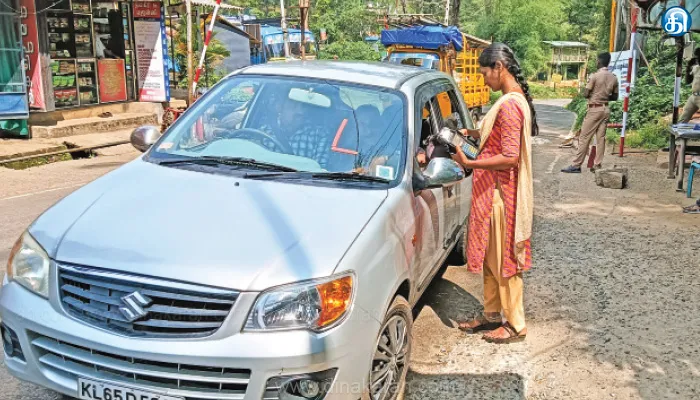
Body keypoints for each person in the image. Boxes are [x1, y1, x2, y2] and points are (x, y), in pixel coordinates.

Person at [448, 43, 536, 344]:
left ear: (499, 67)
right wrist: (474, 135)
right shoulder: (512, 101)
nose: (484, 80)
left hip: (501, 195)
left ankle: (515, 324)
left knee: (504, 262)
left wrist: (470, 163)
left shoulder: (510, 105)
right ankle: (492, 314)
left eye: (485, 73)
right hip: (493, 193)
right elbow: (499, 140)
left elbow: (510, 157)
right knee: (491, 259)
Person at [561, 53, 619, 173]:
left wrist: (594, 95)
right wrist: (604, 96)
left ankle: (576, 165)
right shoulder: (614, 77)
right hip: (605, 110)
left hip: (594, 110)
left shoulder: (594, 76)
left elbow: (586, 94)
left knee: (584, 137)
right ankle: (597, 165)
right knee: (601, 138)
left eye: (597, 61)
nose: (596, 62)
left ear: (599, 62)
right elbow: (615, 97)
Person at [679, 48, 700, 123]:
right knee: (683, 118)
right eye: (696, 58)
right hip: (693, 96)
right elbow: (688, 81)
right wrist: (688, 67)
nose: (697, 60)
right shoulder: (696, 68)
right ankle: (679, 130)